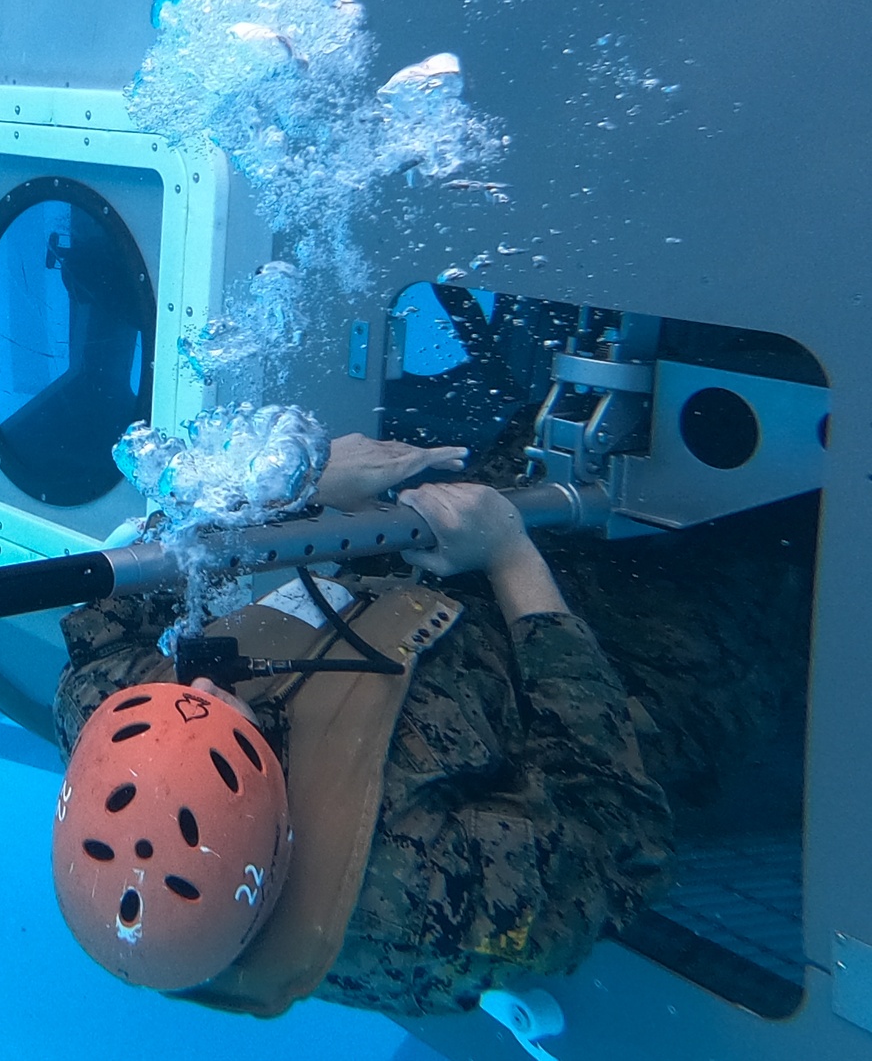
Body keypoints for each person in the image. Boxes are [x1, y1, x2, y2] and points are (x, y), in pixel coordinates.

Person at [50, 433, 808, 1018]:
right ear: (268, 814)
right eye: (228, 722)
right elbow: (620, 830)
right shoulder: (435, 901)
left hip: (428, 577)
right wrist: (514, 560)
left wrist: (286, 488)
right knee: (768, 566)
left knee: (527, 441)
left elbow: (119, 595)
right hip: (613, 661)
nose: (208, 680)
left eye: (187, 696)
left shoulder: (109, 716)